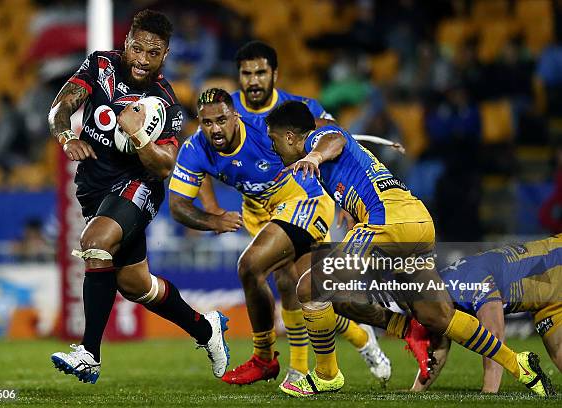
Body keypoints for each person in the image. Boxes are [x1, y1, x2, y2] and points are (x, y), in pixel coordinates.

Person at [265, 100, 555, 397]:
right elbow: (354, 173)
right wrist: (350, 209)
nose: (274, 149)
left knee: (310, 289)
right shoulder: (328, 161)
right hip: (417, 221)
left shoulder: (317, 139)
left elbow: (333, 139)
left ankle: (327, 374)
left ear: (290, 136)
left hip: (387, 222)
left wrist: (313, 156)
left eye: (274, 141)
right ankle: (519, 365)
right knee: (438, 316)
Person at [47, 10, 229, 384]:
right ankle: (206, 330)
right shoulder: (100, 66)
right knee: (135, 285)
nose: (142, 59)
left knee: (95, 243)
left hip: (138, 185)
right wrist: (67, 137)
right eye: (137, 48)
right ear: (126, 43)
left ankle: (89, 354)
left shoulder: (166, 103)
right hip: (93, 190)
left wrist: (138, 136)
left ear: (165, 55)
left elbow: (165, 165)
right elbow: (60, 107)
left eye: (153, 52)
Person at [198, 41, 391, 385]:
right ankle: (360, 341)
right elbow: (198, 158)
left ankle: (300, 366)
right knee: (303, 290)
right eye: (246, 73)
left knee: (295, 284)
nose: (253, 80)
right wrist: (211, 209)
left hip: (307, 198)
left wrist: (350, 200)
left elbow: (339, 141)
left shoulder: (302, 108)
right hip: (259, 210)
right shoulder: (226, 110)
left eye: (260, 72)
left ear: (275, 74)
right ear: (238, 76)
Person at [168, 88, 340, 386]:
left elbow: (330, 134)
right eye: (207, 123)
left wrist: (344, 188)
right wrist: (212, 219)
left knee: (250, 266)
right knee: (298, 288)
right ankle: (402, 327)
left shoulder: (264, 129)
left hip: (307, 200)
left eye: (222, 120)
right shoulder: (195, 148)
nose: (215, 129)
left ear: (235, 116)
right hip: (270, 212)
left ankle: (264, 359)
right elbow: (178, 206)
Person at [412, 235, 561, 393]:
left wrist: (489, 390)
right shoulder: (439, 303)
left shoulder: (467, 281)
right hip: (547, 304)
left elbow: (494, 333)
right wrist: (416, 390)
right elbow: (438, 349)